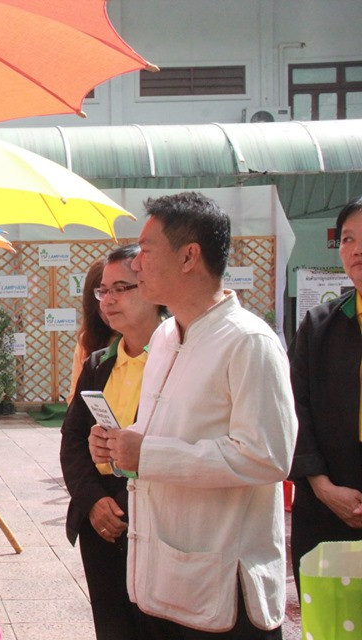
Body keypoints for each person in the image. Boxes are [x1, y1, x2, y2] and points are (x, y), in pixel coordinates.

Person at [89, 192, 296, 639]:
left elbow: (268, 457)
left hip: (223, 592)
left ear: (189, 257)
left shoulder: (248, 342)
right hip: (161, 581)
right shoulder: (164, 335)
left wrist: (149, 454)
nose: (136, 264)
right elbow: (159, 434)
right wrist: (121, 445)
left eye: (145, 251)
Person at [61, 245, 164, 640]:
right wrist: (92, 501)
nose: (109, 299)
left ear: (152, 288)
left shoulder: (177, 361)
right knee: (111, 625)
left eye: (122, 287)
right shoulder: (99, 363)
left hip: (149, 515)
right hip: (98, 519)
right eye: (103, 291)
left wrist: (120, 507)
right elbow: (72, 439)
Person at [289, 196, 362, 595]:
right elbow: (294, 408)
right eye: (348, 239)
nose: (357, 250)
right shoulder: (319, 326)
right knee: (333, 620)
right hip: (327, 502)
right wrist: (320, 486)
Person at [67, 258, 116, 401]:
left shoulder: (157, 339)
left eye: (119, 290)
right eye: (101, 294)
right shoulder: (88, 340)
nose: (107, 303)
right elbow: (75, 397)